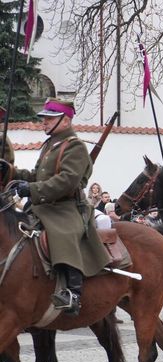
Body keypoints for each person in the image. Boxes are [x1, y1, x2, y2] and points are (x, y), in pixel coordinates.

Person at [2, 98, 110, 316]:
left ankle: (73, 293)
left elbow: (67, 181)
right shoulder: (50, 145)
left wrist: (31, 189)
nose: (44, 123)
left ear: (65, 120)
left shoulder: (75, 146)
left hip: (66, 208)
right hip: (42, 206)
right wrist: (11, 172)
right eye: (44, 119)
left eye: (49, 118)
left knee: (61, 235)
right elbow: (37, 175)